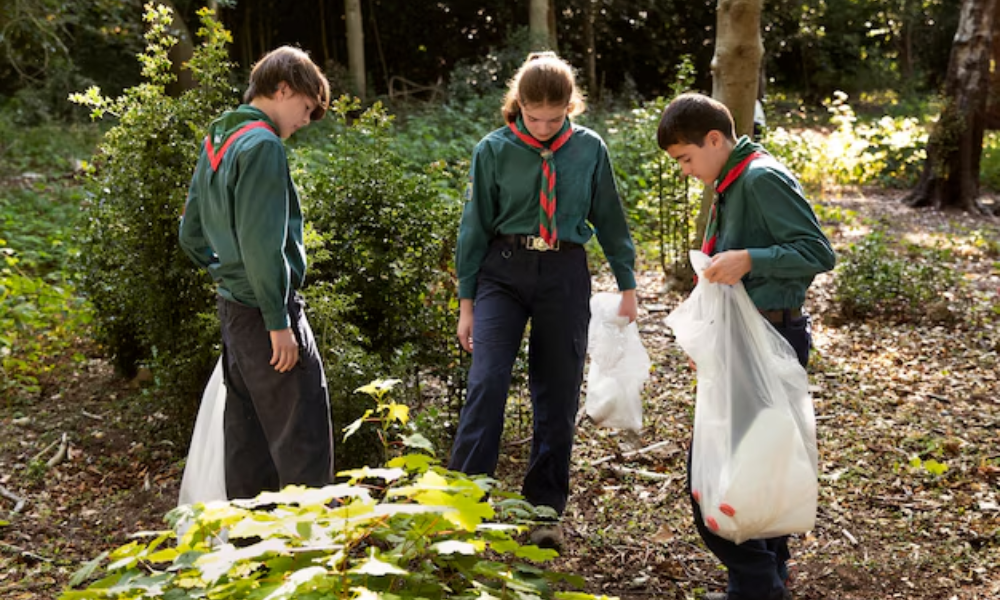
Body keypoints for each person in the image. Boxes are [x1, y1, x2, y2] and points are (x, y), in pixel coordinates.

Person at [449, 51, 638, 550]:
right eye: (535, 118)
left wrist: (628, 284)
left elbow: (611, 220)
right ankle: (463, 505)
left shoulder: (589, 149)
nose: (545, 128)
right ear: (519, 105)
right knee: (487, 382)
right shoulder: (493, 150)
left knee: (557, 392)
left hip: (564, 270)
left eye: (556, 119)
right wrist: (466, 303)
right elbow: (473, 231)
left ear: (571, 108)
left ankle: (544, 511)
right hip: (502, 273)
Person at [656, 92, 835, 600]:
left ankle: (757, 583)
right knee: (756, 468)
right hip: (742, 337)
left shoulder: (760, 178)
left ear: (715, 139)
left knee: (714, 475)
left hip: (770, 337)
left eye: (686, 159)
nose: (687, 171)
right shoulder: (731, 181)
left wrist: (751, 259)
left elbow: (818, 252)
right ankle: (762, 581)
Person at [178, 46, 335, 501]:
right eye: (306, 109)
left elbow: (190, 234)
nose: (305, 122)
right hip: (267, 312)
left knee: (248, 444)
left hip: (233, 308)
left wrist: (225, 270)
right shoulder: (263, 145)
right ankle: (310, 558)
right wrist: (277, 320)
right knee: (302, 439)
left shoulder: (217, 140)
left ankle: (250, 553)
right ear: (283, 88)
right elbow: (264, 246)